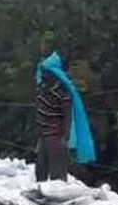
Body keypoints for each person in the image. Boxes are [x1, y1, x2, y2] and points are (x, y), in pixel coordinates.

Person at [34, 52, 96, 182]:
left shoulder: (62, 94)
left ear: (54, 74)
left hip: (56, 137)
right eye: (43, 72)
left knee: (57, 174)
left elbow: (68, 116)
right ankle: (41, 195)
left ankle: (56, 198)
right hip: (43, 137)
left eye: (46, 72)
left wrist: (65, 137)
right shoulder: (42, 92)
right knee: (40, 170)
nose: (43, 76)